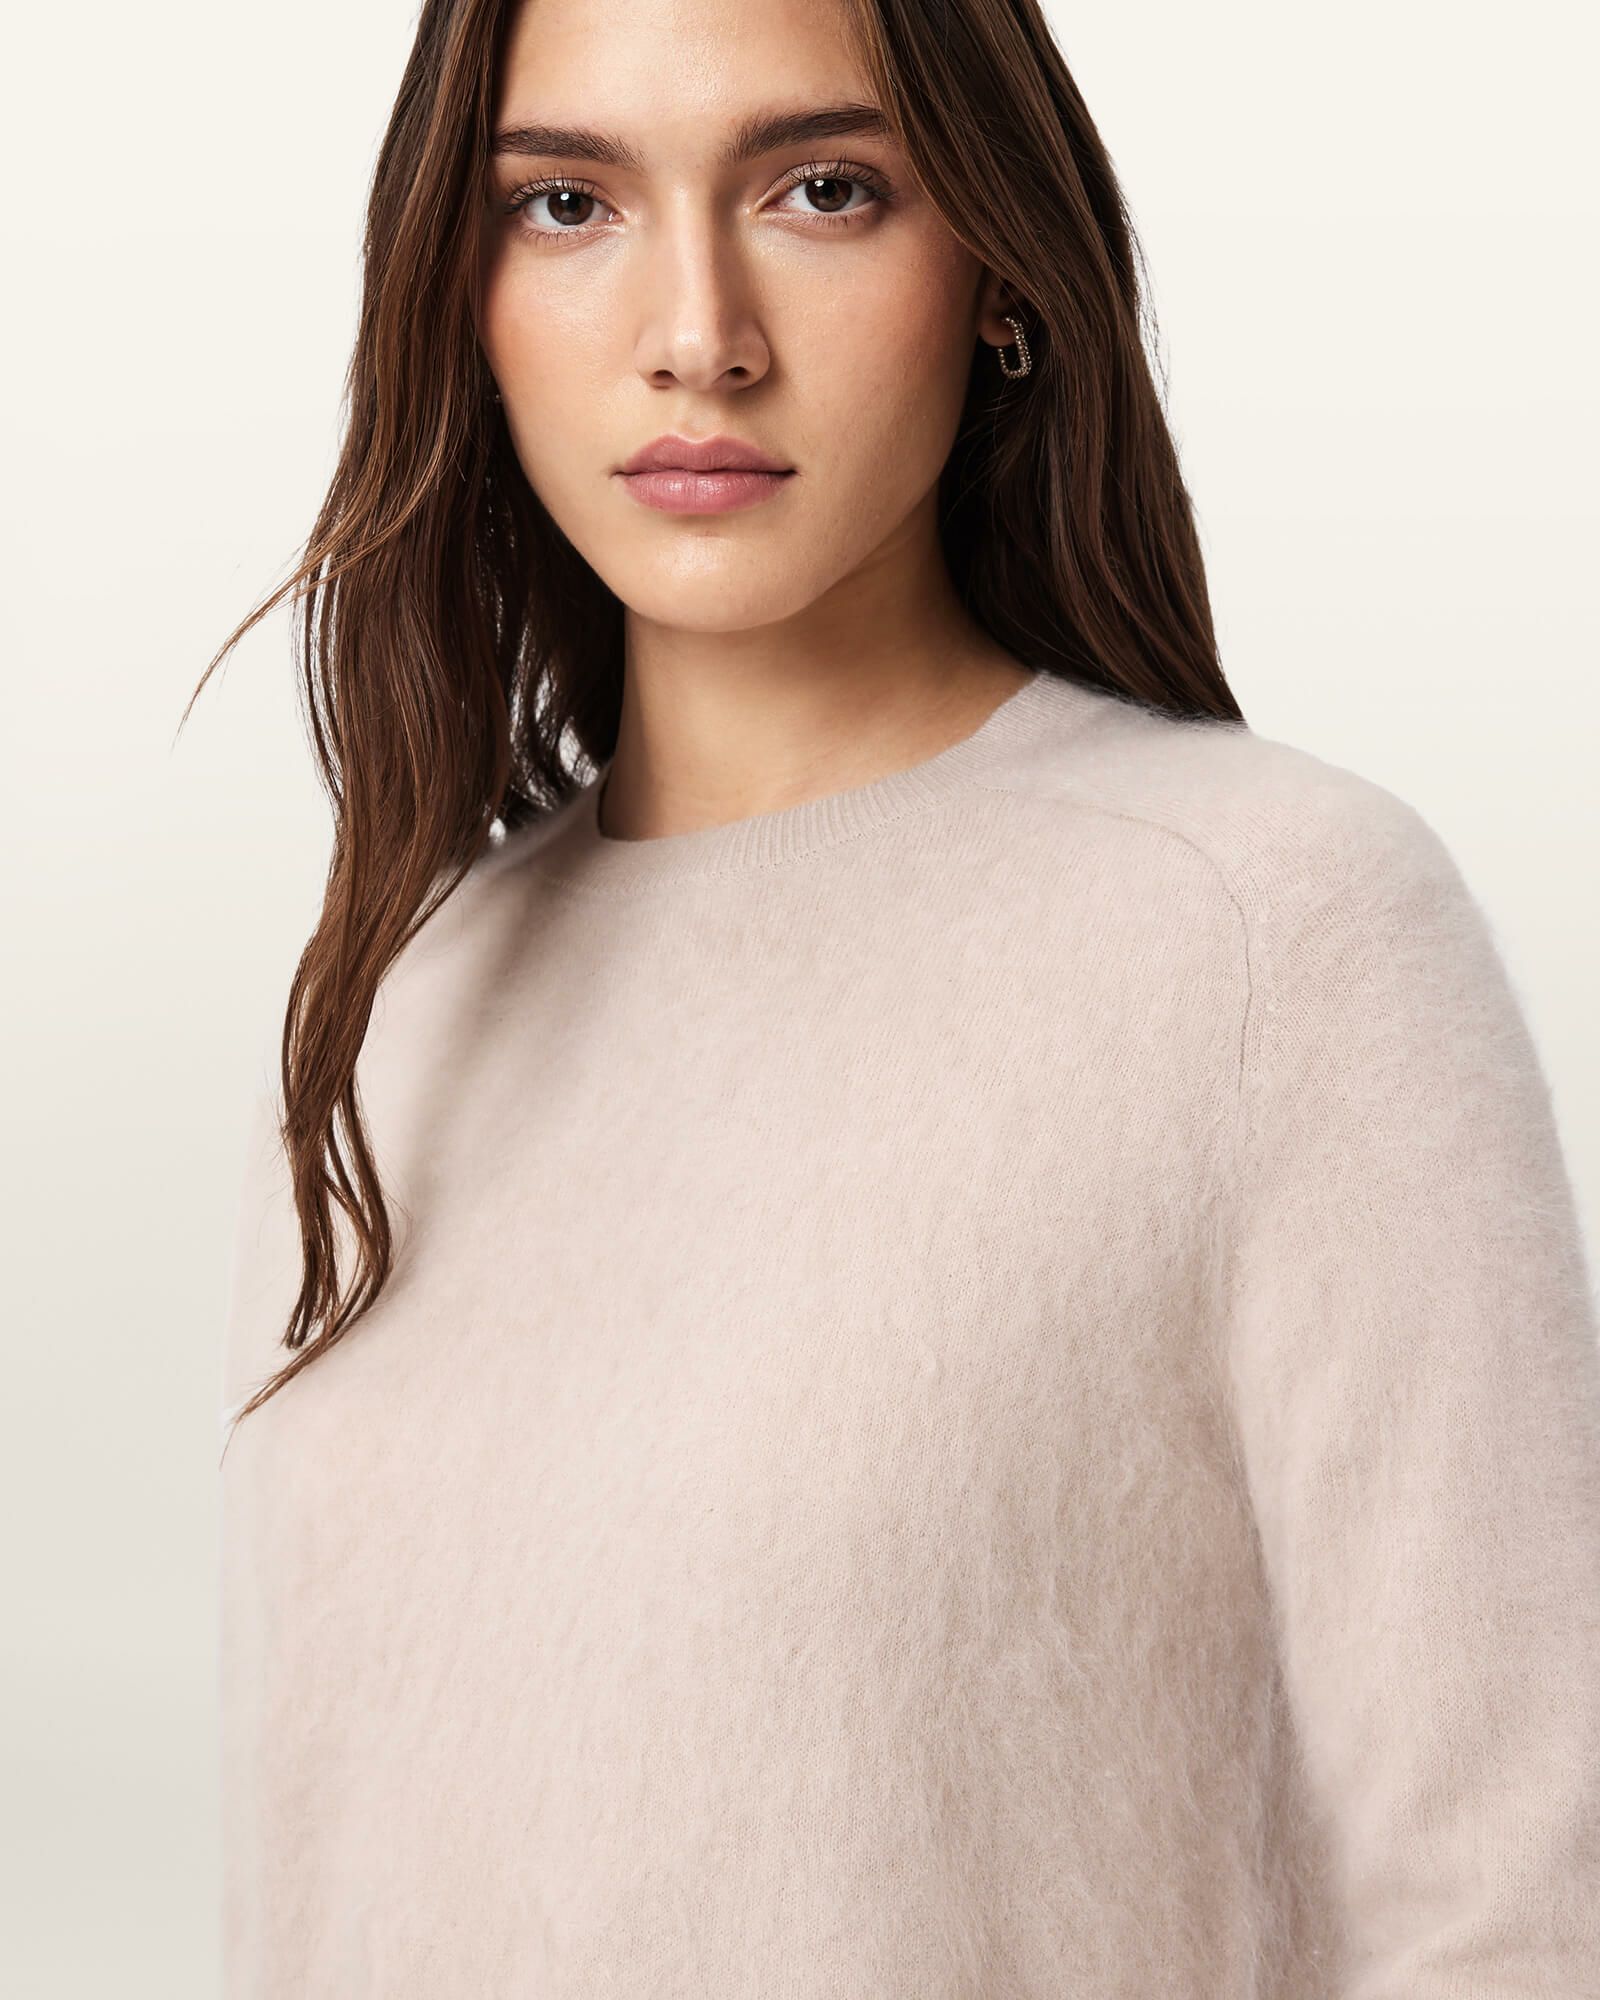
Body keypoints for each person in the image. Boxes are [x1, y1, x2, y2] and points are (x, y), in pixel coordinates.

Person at [203, 0, 1600, 1991]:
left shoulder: (1276, 932)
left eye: (823, 189)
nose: (697, 333)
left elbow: (1513, 1906)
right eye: (568, 203)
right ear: (460, 291)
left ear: (1000, 274)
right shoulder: (397, 1017)